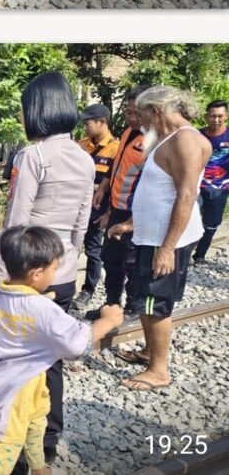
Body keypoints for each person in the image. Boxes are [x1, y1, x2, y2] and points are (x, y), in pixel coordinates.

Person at [0, 72, 94, 469]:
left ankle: (15, 450)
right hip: (63, 274)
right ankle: (48, 440)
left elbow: (17, 225)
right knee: (50, 363)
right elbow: (83, 223)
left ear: (37, 110)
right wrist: (67, 264)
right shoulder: (84, 157)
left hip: (26, 278)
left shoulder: (33, 157)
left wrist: (0, 281)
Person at [0, 226, 123, 475]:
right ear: (36, 274)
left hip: (7, 380)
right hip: (19, 389)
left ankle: (37, 467)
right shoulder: (42, 307)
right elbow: (76, 343)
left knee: (36, 422)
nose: (55, 273)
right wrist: (108, 321)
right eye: (54, 268)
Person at [108, 86, 210, 391]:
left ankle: (158, 370)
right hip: (150, 235)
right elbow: (158, 192)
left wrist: (166, 248)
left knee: (154, 303)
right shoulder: (167, 138)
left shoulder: (186, 141)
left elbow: (187, 195)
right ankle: (150, 353)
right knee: (144, 299)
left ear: (156, 110)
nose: (138, 122)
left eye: (140, 115)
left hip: (165, 241)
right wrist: (130, 222)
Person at [85, 86, 150, 321]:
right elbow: (117, 164)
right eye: (128, 112)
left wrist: (133, 221)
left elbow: (153, 186)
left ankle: (133, 308)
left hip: (137, 214)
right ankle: (111, 305)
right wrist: (103, 188)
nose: (132, 118)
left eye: (137, 113)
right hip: (117, 209)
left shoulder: (154, 141)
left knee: (132, 263)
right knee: (111, 259)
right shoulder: (127, 133)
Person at [72, 104, 119, 308]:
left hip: (98, 207)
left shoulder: (116, 149)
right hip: (74, 204)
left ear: (102, 122)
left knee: (93, 250)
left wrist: (109, 212)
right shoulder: (80, 145)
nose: (85, 127)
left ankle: (87, 290)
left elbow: (116, 183)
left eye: (88, 123)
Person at [193, 99, 229, 264]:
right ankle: (183, 254)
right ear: (206, 116)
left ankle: (200, 255)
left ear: (226, 116)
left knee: (211, 224)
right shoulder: (195, 136)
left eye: (220, 116)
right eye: (213, 116)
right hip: (196, 186)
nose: (216, 120)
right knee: (190, 217)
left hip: (220, 187)